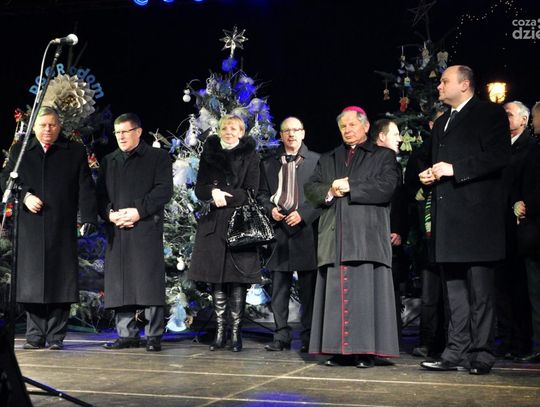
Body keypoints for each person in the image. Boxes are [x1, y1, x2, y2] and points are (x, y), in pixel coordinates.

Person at [418, 65, 510, 375]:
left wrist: (455, 169)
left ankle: (481, 353)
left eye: (445, 81)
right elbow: (439, 164)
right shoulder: (442, 122)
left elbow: (498, 156)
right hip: (448, 221)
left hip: (478, 220)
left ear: (465, 84)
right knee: (454, 293)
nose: (439, 87)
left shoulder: (489, 114)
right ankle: (455, 351)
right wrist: (430, 175)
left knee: (480, 292)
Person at [305, 106, 400, 368]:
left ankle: (365, 352)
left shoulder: (383, 156)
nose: (347, 130)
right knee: (335, 298)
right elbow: (311, 189)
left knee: (365, 298)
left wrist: (351, 186)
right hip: (334, 238)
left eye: (352, 125)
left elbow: (387, 187)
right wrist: (330, 190)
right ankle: (338, 350)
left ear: (365, 126)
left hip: (366, 237)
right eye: (343, 126)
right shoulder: (329, 158)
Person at [1, 106, 97, 350]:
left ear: (59, 126)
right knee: (31, 281)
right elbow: (6, 178)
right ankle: (34, 335)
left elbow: (85, 186)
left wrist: (88, 218)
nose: (47, 129)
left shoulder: (74, 150)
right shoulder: (21, 150)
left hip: (61, 224)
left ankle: (55, 336)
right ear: (34, 127)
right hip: (30, 225)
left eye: (52, 125)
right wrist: (25, 196)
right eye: (43, 125)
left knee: (60, 280)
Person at [98, 113, 173, 352]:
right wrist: (110, 214)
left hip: (145, 226)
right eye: (117, 132)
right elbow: (99, 196)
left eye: (125, 131)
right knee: (120, 282)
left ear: (138, 132)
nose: (121, 136)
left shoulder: (157, 157)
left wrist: (138, 211)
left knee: (148, 281)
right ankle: (126, 334)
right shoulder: (109, 160)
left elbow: (164, 190)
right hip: (117, 228)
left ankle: (153, 335)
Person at [189, 114, 262, 352]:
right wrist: (213, 192)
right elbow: (200, 188)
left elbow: (251, 191)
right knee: (216, 279)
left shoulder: (250, 155)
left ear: (241, 133)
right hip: (213, 224)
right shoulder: (209, 154)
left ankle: (236, 333)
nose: (228, 132)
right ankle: (220, 332)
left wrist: (225, 196)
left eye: (233, 128)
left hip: (239, 224)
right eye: (224, 128)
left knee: (238, 279)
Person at [258, 116, 320, 353]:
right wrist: (270, 209)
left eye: (296, 130)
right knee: (279, 288)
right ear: (281, 135)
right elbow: (262, 194)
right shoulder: (268, 163)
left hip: (306, 230)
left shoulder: (317, 161)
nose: (291, 134)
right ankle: (281, 335)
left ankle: (309, 337)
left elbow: (323, 195)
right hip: (279, 230)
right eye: (287, 131)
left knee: (308, 289)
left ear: (303, 133)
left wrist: (303, 214)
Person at [494, 101, 535, 359]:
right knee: (501, 287)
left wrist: (520, 203)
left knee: (519, 287)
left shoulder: (530, 147)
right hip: (498, 225)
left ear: (523, 119)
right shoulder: (499, 146)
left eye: (509, 115)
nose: (505, 118)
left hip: (519, 226)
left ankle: (521, 341)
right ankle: (506, 338)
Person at [372, 118, 407, 346]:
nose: (400, 139)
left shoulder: (393, 163)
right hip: (374, 233)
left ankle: (391, 337)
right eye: (395, 134)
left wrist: (398, 229)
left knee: (391, 286)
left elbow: (399, 201)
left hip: (391, 235)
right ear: (382, 136)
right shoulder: (371, 161)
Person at [512, 141, 540, 363]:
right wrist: (517, 202)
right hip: (532, 236)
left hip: (534, 227)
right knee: (534, 293)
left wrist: (527, 203)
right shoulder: (533, 149)